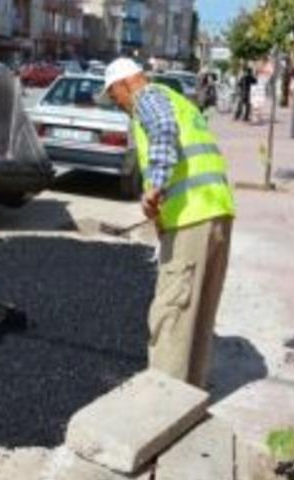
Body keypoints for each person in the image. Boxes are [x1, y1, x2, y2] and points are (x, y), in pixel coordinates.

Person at [101, 58, 236, 388]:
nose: (117, 105)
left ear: (124, 84)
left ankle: (162, 404)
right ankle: (190, 396)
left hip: (193, 218)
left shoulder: (147, 97)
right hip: (216, 213)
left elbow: (162, 129)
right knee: (199, 314)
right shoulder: (180, 101)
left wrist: (155, 185)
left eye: (113, 96)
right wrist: (160, 217)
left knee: (171, 313)